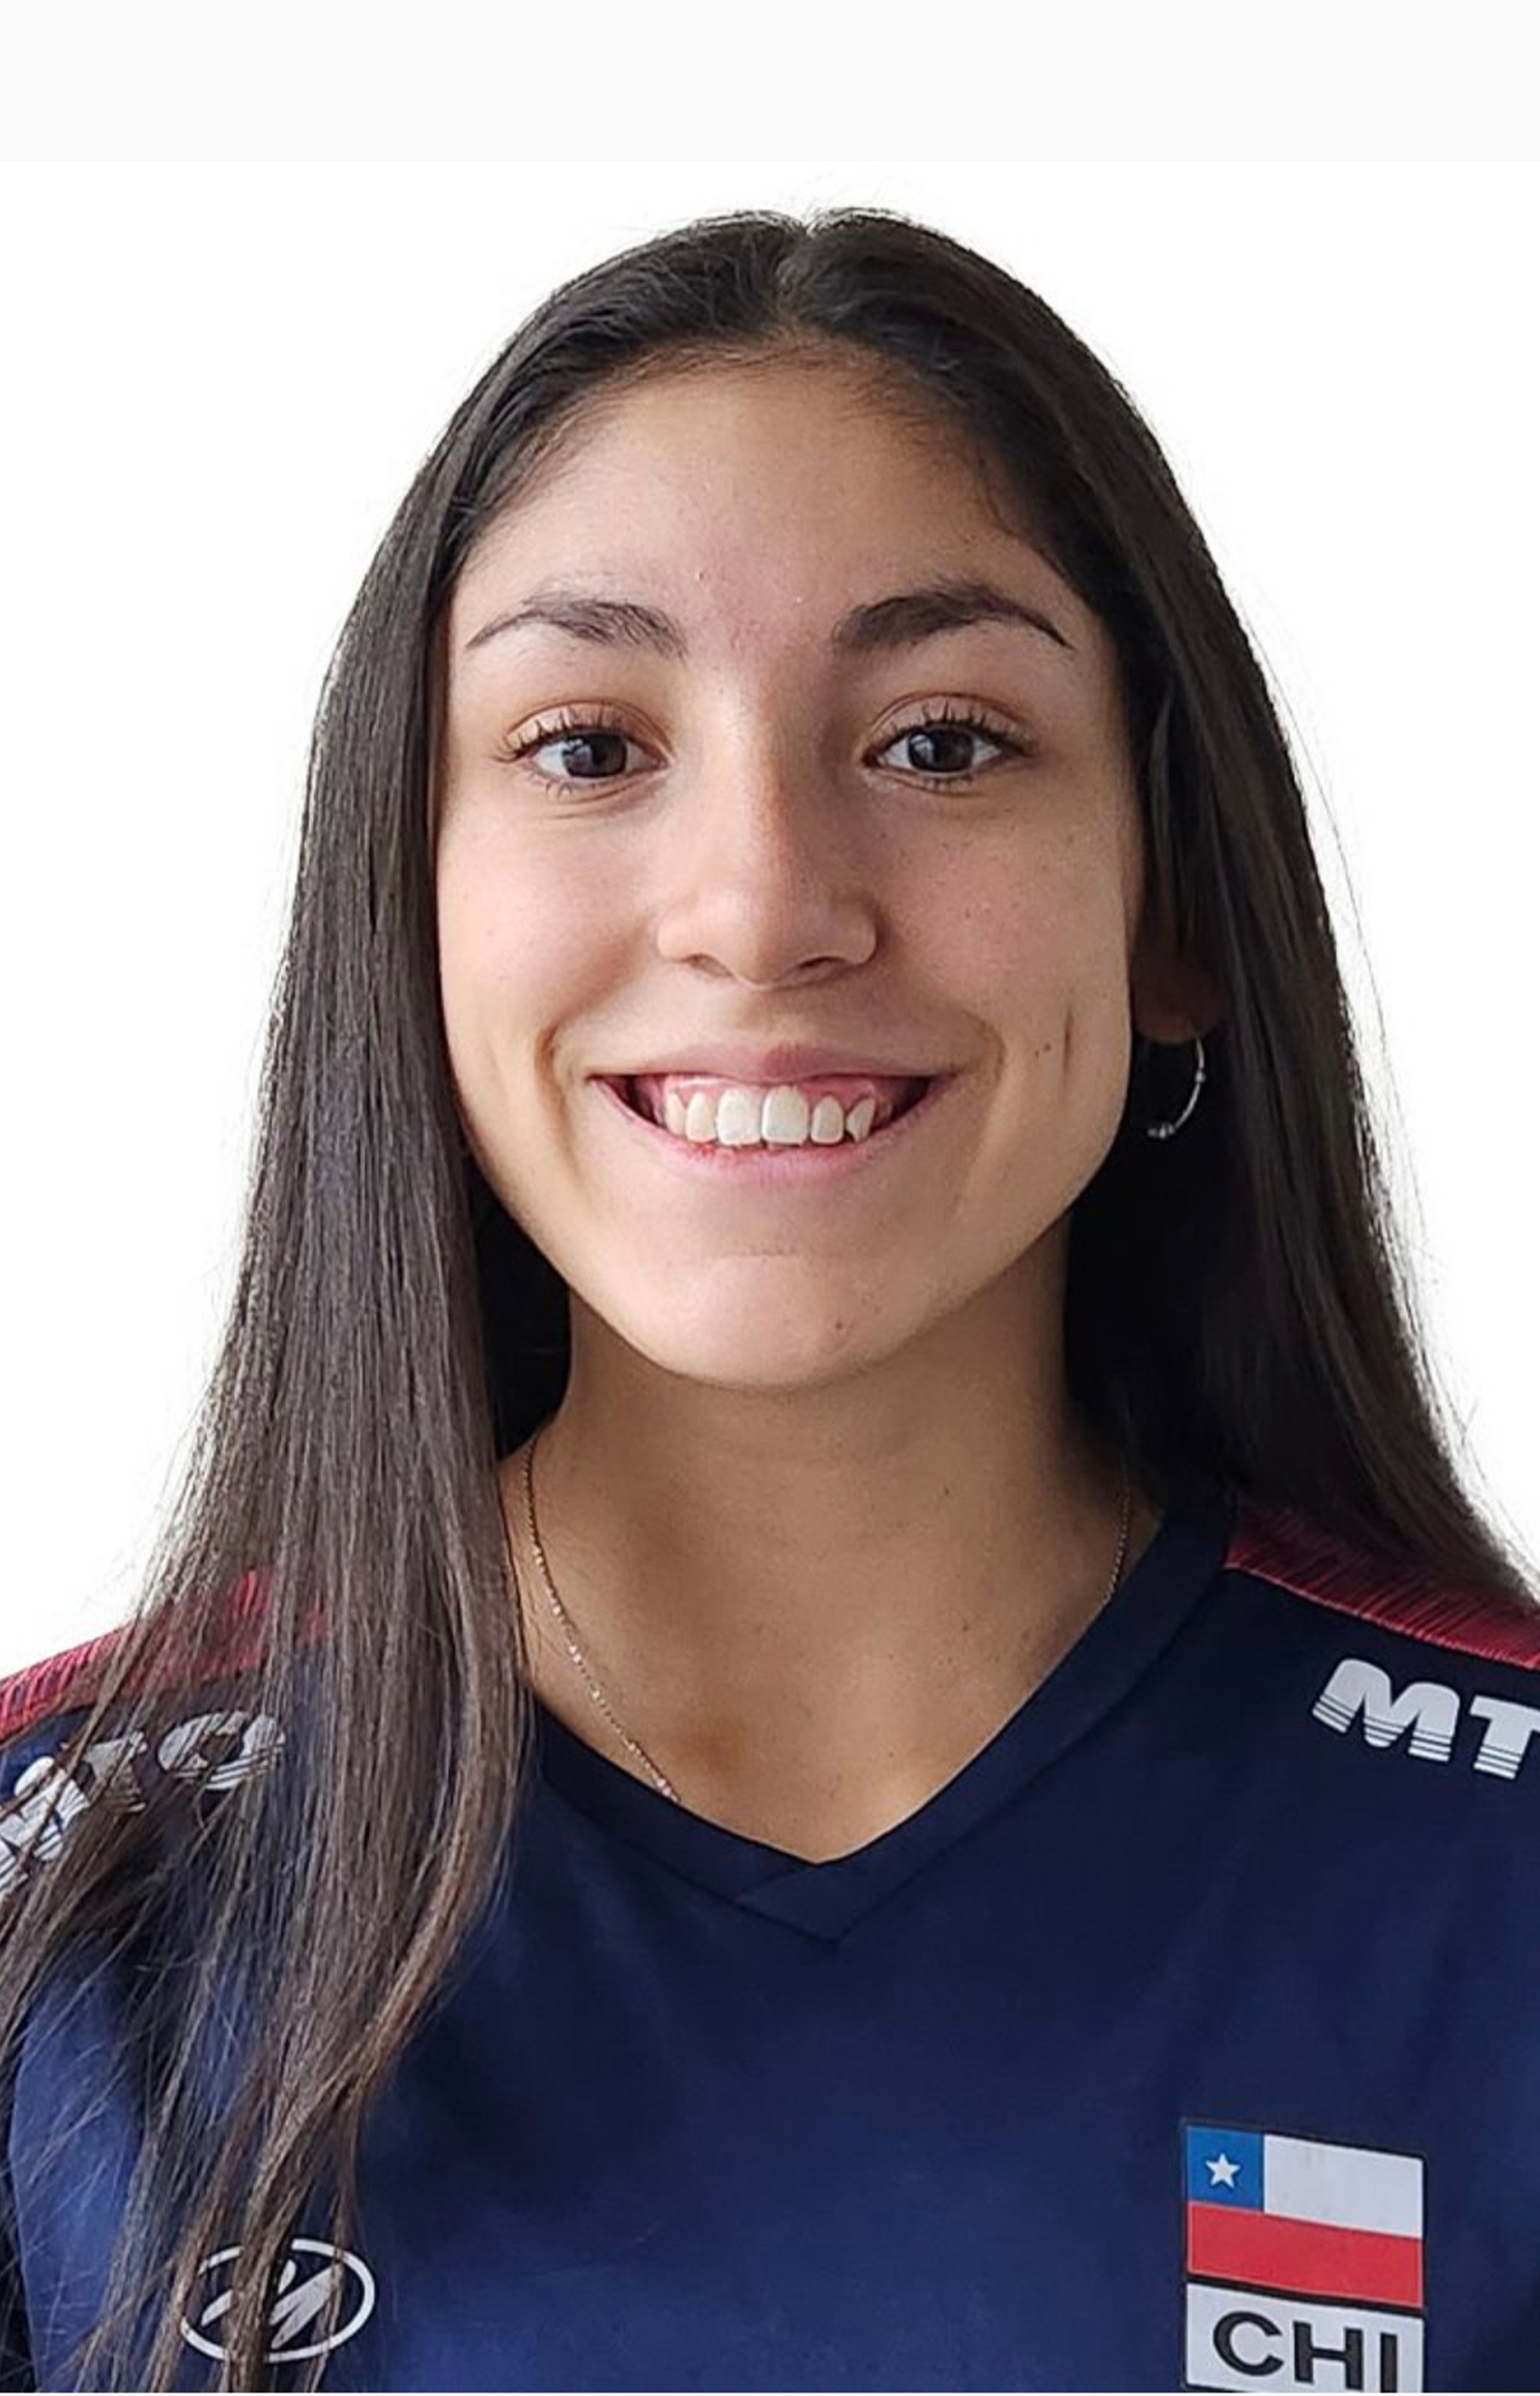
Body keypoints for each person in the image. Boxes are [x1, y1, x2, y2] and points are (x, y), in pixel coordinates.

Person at [1, 205, 1536, 2396]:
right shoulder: (54, 1908)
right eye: (588, 746)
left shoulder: (1495, 1863)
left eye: (941, 741)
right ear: (407, 909)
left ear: (1174, 907)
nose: (760, 903)